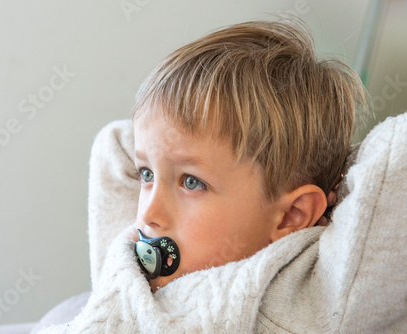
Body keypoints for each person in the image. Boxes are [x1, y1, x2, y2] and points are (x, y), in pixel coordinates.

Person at [38, 19, 407, 333]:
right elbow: (115, 144)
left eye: (191, 182)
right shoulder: (127, 264)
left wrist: (337, 184)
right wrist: (170, 148)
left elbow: (396, 158)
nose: (149, 213)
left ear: (291, 215)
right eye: (146, 174)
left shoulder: (317, 294)